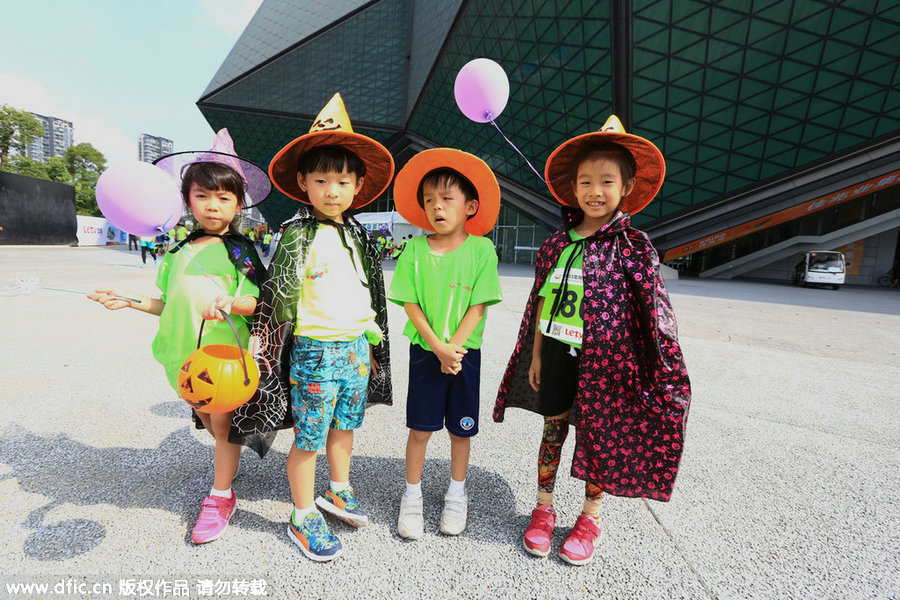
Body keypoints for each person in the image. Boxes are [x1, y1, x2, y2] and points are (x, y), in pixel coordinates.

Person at [493, 116, 691, 565]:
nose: (594, 190)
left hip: (608, 364)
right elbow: (541, 304)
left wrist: (662, 370)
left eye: (606, 181)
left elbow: (653, 314)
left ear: (626, 187)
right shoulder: (556, 245)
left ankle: (590, 516)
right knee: (553, 429)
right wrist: (538, 355)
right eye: (586, 181)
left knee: (597, 437)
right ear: (573, 188)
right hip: (559, 355)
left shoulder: (633, 246)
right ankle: (542, 509)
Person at [88, 129, 271, 545]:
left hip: (221, 362)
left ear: (238, 204)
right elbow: (167, 304)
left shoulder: (240, 252)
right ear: (187, 199)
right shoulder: (175, 253)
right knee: (210, 422)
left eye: (224, 197)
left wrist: (230, 301)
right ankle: (229, 463)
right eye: (202, 195)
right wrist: (129, 300)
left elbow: (262, 304)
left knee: (222, 428)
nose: (212, 205)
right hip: (179, 358)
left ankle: (221, 494)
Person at [252, 93, 394, 561]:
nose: (332, 190)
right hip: (313, 350)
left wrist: (372, 341)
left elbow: (367, 296)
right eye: (322, 180)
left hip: (355, 348)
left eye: (342, 181)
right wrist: (260, 349)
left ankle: (337, 489)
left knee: (346, 425)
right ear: (302, 183)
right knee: (309, 434)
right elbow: (276, 297)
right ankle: (301, 513)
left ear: (357, 186)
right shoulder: (294, 234)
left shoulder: (358, 235)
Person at [388, 148, 503, 539]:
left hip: (464, 354)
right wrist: (437, 346)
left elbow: (480, 304)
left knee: (460, 430)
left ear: (470, 206)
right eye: (429, 200)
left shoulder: (482, 249)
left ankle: (457, 492)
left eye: (447, 199)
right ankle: (412, 495)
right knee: (420, 428)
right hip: (426, 352)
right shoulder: (415, 250)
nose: (437, 207)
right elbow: (410, 302)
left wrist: (453, 348)